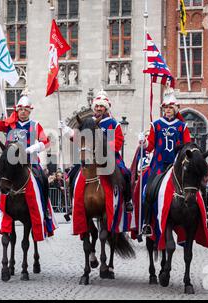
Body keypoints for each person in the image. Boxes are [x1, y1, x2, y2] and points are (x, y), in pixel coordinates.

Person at [60, 89, 133, 213]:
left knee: (125, 173)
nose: (99, 108)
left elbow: (118, 141)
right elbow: (80, 138)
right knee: (72, 173)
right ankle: (74, 203)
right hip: (90, 156)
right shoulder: (89, 123)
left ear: (106, 108)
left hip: (110, 157)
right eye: (97, 106)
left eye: (101, 106)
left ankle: (127, 201)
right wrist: (67, 131)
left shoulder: (113, 124)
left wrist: (103, 148)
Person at [0, 90, 50, 221]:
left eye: (26, 110)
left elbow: (46, 142)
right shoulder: (9, 124)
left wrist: (33, 148)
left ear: (30, 111)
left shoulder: (35, 125)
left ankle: (45, 209)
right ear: (17, 110)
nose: (23, 112)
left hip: (30, 161)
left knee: (43, 179)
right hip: (11, 162)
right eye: (20, 109)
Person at [138, 87, 191, 235]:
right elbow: (149, 147)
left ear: (175, 109)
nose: (167, 110)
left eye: (170, 107)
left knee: (194, 188)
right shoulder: (156, 124)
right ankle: (147, 223)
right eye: (165, 107)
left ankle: (202, 218)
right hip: (159, 165)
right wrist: (143, 142)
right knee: (147, 190)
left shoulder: (182, 126)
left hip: (177, 165)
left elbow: (188, 146)